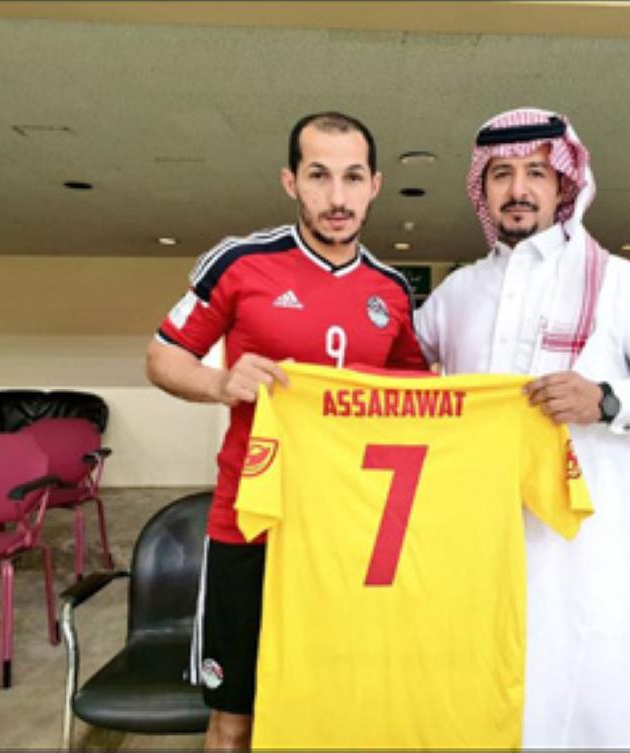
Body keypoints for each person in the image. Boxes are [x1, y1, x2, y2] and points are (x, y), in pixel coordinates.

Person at [414, 107, 630, 748]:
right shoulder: (457, 294)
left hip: (584, 546)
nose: (518, 189)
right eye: (501, 174)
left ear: (563, 185)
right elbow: (392, 373)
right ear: (482, 189)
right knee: (479, 685)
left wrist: (606, 399)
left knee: (579, 688)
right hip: (477, 536)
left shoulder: (614, 282)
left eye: (535, 172)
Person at [145, 111, 427, 751]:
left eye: (352, 177)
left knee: (337, 704)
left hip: (349, 529)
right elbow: (161, 357)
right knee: (235, 720)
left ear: (375, 185)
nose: (337, 197)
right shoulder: (240, 262)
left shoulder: (391, 289)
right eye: (319, 175)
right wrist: (220, 382)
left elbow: (417, 397)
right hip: (251, 520)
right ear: (290, 181)